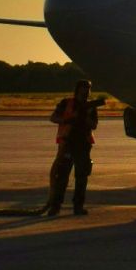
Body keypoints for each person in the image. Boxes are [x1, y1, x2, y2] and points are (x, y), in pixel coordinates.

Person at [45, 80, 101, 216]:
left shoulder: (91, 107)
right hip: (67, 143)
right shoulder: (67, 103)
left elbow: (93, 125)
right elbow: (53, 117)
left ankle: (78, 206)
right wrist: (69, 119)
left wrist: (85, 116)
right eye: (84, 89)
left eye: (88, 89)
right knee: (62, 176)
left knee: (81, 177)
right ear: (77, 90)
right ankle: (56, 206)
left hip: (83, 144)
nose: (86, 92)